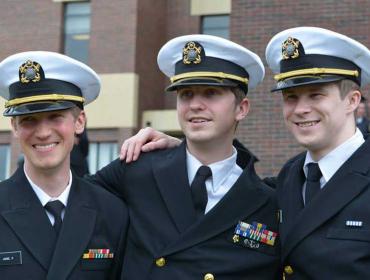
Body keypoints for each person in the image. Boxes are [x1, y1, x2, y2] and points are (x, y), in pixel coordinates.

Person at [121, 27, 370, 279]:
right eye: (291, 96)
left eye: (316, 95)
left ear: (352, 101)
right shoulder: (289, 180)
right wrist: (183, 148)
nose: (301, 109)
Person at [89, 34, 281, 279]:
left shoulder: (267, 201)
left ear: (241, 109)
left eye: (211, 93)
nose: (195, 105)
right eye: (186, 94)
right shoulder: (138, 169)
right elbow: (73, 200)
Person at [0, 51, 128, 279]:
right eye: (29, 119)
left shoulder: (112, 212)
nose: (43, 133)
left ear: (79, 122)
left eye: (55, 116)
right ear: (15, 127)